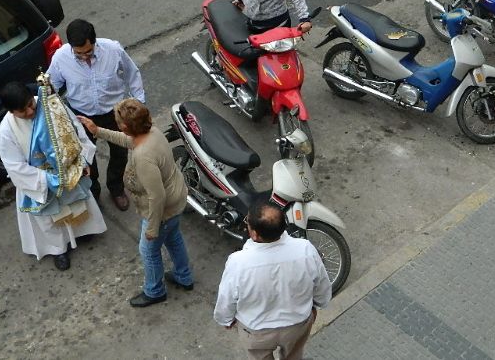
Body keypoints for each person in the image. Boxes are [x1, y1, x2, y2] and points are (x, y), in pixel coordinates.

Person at [76, 99, 193, 307]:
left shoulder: (143, 157)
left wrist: (153, 228)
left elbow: (156, 197)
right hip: (175, 200)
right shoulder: (151, 132)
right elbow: (128, 140)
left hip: (161, 212)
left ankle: (155, 291)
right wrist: (98, 131)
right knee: (174, 238)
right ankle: (184, 276)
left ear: (126, 126)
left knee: (148, 251)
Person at [0, 81, 107, 271]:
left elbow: (74, 129)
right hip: (40, 181)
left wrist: (83, 160)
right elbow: (15, 166)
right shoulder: (6, 130)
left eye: (31, 104)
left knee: (77, 204)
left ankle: (84, 232)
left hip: (67, 171)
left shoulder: (51, 105)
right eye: (23, 111)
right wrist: (48, 179)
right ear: (11, 111)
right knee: (49, 219)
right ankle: (58, 249)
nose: (30, 112)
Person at [47, 19, 146, 212]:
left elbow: (132, 75)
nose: (84, 57)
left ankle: (116, 188)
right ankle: (94, 193)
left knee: (120, 153)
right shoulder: (60, 58)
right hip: (81, 117)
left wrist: (139, 105)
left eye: (88, 52)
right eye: (79, 54)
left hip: (114, 113)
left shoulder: (113, 50)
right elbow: (53, 87)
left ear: (94, 42)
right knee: (86, 159)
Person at [213, 201, 332, 360]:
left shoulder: (238, 262)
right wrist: (318, 305)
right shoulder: (305, 250)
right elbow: (322, 285)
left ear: (254, 234)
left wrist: (225, 319)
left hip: (256, 332)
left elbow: (227, 298)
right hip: (297, 325)